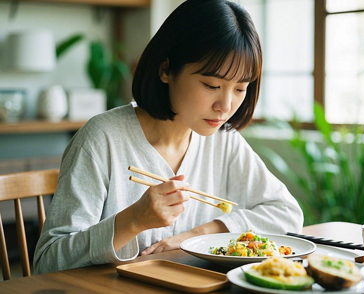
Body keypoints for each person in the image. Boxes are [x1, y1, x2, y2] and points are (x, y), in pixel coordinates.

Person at [33, 0, 303, 274]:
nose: (225, 106)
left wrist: (203, 232)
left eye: (240, 89)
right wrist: (133, 221)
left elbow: (287, 213)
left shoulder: (223, 140)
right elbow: (48, 262)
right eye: (212, 85)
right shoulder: (102, 139)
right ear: (166, 69)